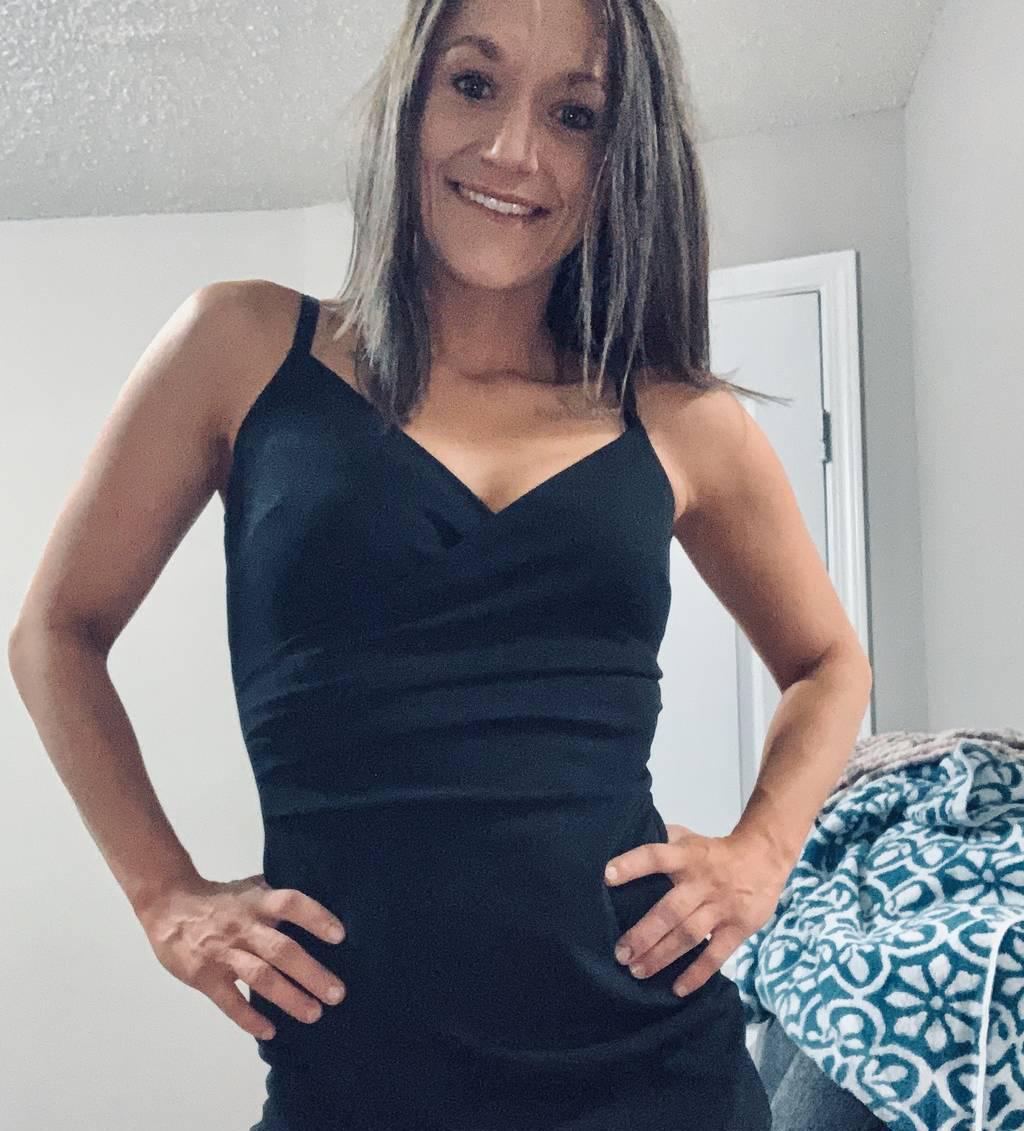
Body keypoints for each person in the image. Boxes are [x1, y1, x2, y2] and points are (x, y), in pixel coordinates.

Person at [8, 0, 873, 1127]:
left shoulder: (677, 418)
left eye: (574, 114)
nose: (513, 150)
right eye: (473, 84)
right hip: (355, 1078)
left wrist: (762, 853)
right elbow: (55, 633)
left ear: (621, 156)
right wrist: (162, 895)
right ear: (409, 99)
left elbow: (827, 661)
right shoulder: (241, 348)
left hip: (657, 1070)